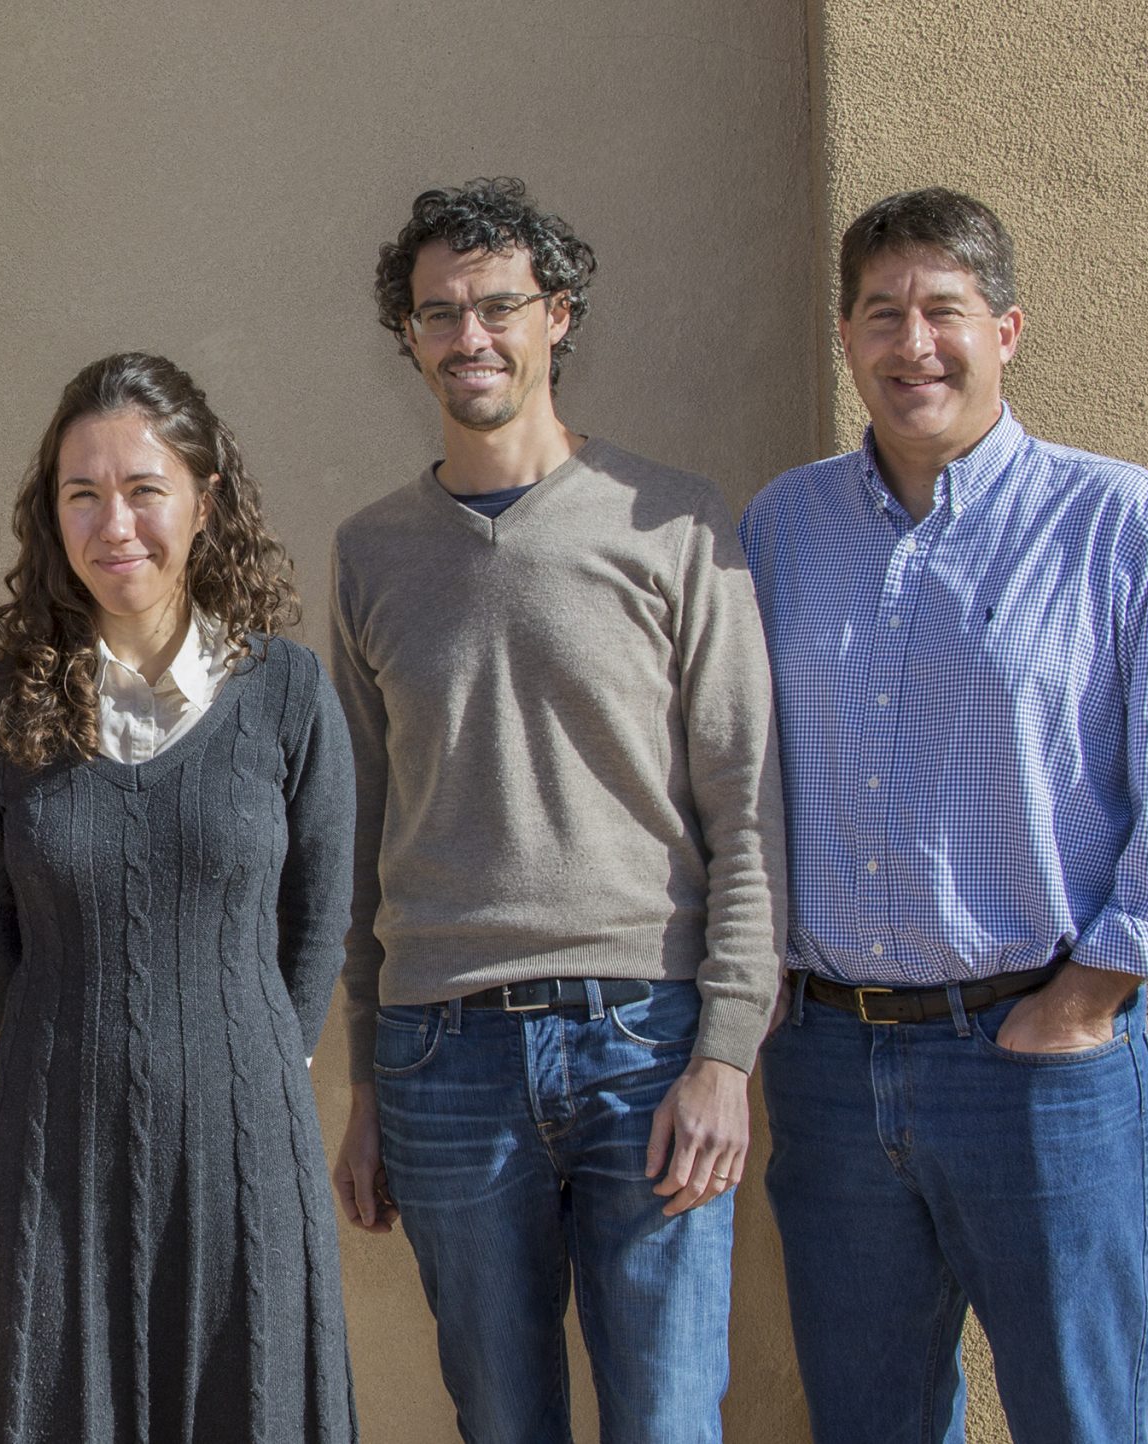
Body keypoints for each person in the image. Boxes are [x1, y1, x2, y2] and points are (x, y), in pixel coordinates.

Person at [740, 187, 1148, 1443]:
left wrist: (1086, 996)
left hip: (1038, 1062)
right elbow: (734, 772)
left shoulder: (1116, 522)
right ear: (845, 339)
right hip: (828, 1064)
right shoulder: (782, 529)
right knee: (868, 1421)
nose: (912, 343)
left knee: (1079, 1419)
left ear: (1008, 328)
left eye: (943, 310)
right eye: (881, 314)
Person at [327, 178, 785, 1443]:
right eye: (437, 314)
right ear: (408, 337)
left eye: (497, 306)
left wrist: (725, 1054)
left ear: (558, 317)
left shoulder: (677, 525)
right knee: (500, 1419)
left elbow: (745, 806)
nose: (468, 336)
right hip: (440, 1057)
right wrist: (366, 1083)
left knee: (667, 1421)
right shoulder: (371, 552)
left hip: (646, 1042)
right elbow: (367, 832)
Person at [0, 352, 358, 1442]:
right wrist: (83, 1049)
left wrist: (245, 1059)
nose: (112, 522)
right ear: (50, 515)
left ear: (204, 501)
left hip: (243, 1153)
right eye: (81, 494)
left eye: (143, 489)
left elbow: (319, 915)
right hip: (55, 1151)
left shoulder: (286, 692)